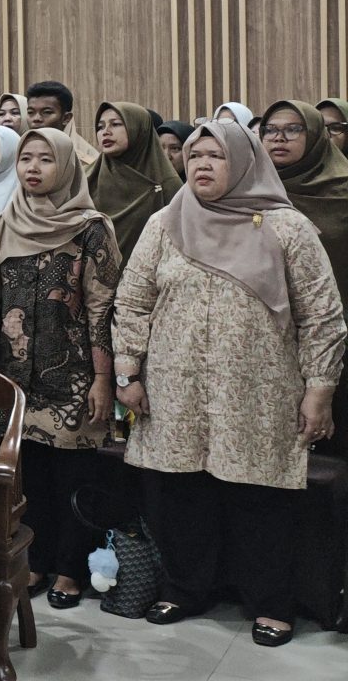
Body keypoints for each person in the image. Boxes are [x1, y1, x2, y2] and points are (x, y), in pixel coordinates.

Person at [111, 120, 345, 644]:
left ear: (243, 162)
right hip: (176, 388)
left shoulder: (288, 228)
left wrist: (320, 388)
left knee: (260, 497)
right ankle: (185, 588)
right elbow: (133, 300)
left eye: (216, 156)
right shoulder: (165, 223)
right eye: (195, 155)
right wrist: (127, 371)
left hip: (258, 391)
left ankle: (270, 602)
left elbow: (322, 316)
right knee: (180, 492)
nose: (202, 165)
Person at [0, 128, 121, 609]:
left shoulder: (91, 228)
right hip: (15, 376)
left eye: (45, 159)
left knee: (74, 476)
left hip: (74, 377)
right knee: (29, 475)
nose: (33, 168)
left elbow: (103, 310)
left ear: (65, 166)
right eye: (26, 158)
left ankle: (71, 568)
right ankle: (37, 559)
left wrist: (103, 380)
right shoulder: (1, 224)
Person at [261, 99, 348, 455]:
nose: (279, 138)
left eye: (293, 130)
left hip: (333, 336)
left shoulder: (342, 190)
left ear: (315, 135)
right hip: (267, 340)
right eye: (270, 130)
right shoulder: (246, 192)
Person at [89, 101, 181, 261]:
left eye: (115, 124)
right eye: (100, 127)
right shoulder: (87, 178)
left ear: (139, 129)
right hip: (92, 273)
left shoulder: (167, 184)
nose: (105, 132)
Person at [26, 81, 98, 169]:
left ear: (66, 118)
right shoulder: (22, 150)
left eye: (46, 112)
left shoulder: (84, 162)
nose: (36, 118)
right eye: (31, 112)